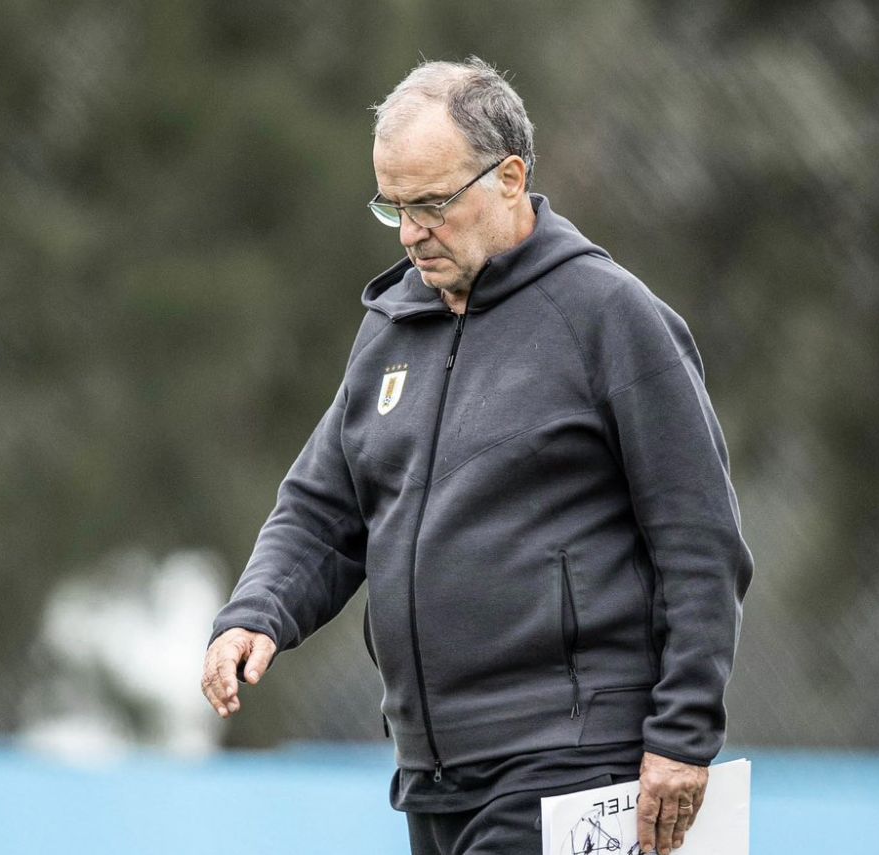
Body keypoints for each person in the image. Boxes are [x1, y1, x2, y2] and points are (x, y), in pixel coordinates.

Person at [201, 56, 753, 855]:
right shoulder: (391, 328)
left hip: (573, 764)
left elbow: (699, 541)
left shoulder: (609, 316)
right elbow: (322, 510)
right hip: (431, 773)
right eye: (392, 207)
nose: (410, 232)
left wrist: (683, 734)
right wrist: (257, 611)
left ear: (510, 177)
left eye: (431, 204)